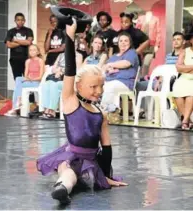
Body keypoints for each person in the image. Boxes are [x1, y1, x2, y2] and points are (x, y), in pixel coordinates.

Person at [37, 18, 127, 204]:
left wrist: (105, 176)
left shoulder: (100, 113)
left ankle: (66, 185)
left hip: (90, 162)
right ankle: (62, 188)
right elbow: (70, 69)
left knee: (81, 177)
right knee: (67, 172)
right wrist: (70, 36)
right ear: (78, 85)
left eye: (101, 87)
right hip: (70, 155)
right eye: (93, 87)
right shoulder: (70, 101)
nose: (99, 91)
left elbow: (107, 148)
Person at [101, 32, 139, 113]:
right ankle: (102, 111)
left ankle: (104, 112)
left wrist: (111, 65)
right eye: (121, 41)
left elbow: (126, 63)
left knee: (111, 86)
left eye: (126, 41)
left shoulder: (132, 53)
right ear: (117, 43)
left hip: (125, 83)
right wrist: (108, 68)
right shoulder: (114, 56)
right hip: (109, 80)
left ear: (130, 43)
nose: (123, 43)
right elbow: (105, 68)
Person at [41, 49, 83, 119]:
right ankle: (46, 109)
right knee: (47, 84)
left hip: (69, 80)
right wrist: (57, 70)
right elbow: (53, 68)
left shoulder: (78, 56)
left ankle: (52, 110)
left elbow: (77, 70)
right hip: (58, 77)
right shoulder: (61, 55)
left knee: (55, 85)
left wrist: (63, 71)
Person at [5, 44, 45, 116]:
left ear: (38, 52)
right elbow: (26, 75)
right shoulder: (28, 61)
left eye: (34, 50)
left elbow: (40, 77)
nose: (32, 52)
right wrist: (27, 78)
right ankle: (18, 103)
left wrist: (31, 79)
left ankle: (16, 106)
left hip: (36, 82)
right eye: (30, 50)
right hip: (29, 81)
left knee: (18, 85)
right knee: (18, 79)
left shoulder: (40, 61)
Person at [172, 32, 193, 130]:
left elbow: (182, 67)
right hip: (184, 78)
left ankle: (185, 121)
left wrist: (185, 68)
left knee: (190, 91)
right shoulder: (184, 51)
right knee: (177, 89)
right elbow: (178, 67)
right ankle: (188, 120)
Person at [5, 13, 34, 80]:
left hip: (26, 58)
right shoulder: (10, 31)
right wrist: (23, 42)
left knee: (27, 78)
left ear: (24, 21)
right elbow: (8, 44)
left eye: (22, 20)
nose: (20, 21)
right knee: (17, 79)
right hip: (14, 59)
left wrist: (15, 40)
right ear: (15, 21)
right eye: (18, 20)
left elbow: (29, 42)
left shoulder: (28, 30)